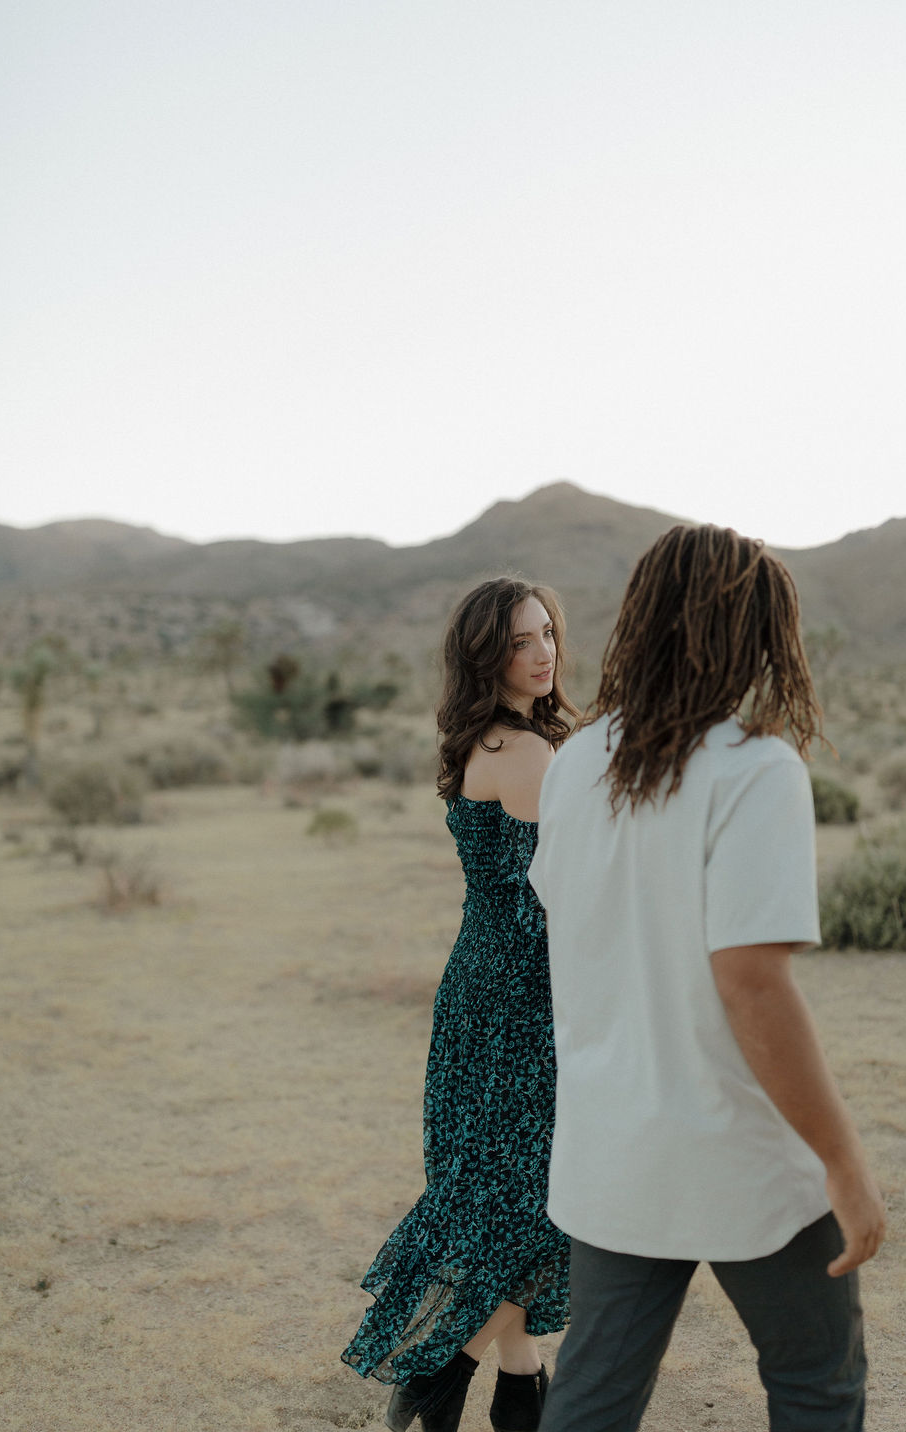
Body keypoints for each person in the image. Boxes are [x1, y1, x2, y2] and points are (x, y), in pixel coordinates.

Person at [528, 524, 886, 1432]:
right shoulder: (754, 768)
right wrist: (844, 1162)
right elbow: (752, 986)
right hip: (743, 1155)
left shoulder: (577, 765)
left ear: (644, 619)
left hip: (614, 1150)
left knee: (592, 1401)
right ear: (756, 634)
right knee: (817, 1382)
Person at [342, 576, 580, 1432]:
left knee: (493, 1193)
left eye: (547, 632)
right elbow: (559, 897)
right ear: (487, 656)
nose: (543, 652)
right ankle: (442, 1374)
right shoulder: (530, 753)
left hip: (478, 985)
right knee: (532, 1201)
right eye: (520, 641)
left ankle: (516, 1383)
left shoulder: (487, 739)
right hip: (524, 999)